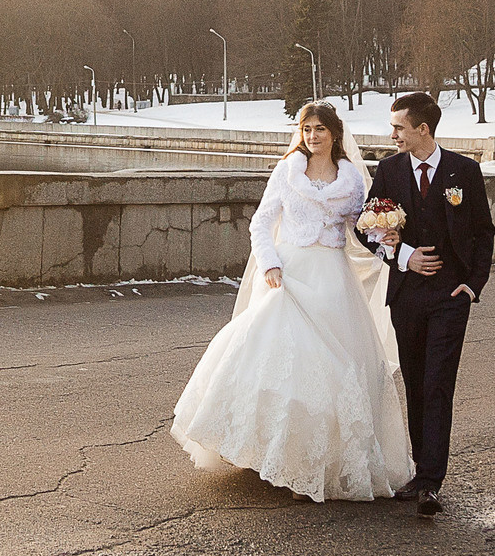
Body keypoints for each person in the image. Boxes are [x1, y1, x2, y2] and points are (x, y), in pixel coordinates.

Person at [171, 99, 414, 503]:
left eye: (320, 129)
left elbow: (361, 228)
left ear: (335, 133)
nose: (313, 136)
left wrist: (386, 236)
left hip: (333, 280)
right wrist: (269, 262)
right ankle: (275, 454)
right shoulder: (287, 171)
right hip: (289, 274)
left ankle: (314, 461)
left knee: (333, 368)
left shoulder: (352, 179)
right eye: (307, 129)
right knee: (279, 361)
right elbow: (261, 223)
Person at [357, 90, 495, 516]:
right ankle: (420, 471)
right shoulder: (389, 170)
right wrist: (402, 256)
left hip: (451, 297)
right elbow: (366, 228)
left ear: (423, 129)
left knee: (438, 383)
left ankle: (432, 481)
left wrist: (472, 285)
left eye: (399, 127)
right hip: (407, 295)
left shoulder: (463, 171)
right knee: (416, 382)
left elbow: (483, 232)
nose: (392, 134)